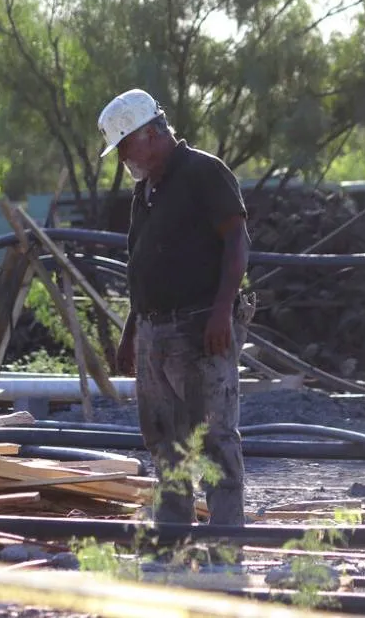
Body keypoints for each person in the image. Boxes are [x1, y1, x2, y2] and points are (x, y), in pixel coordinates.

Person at [98, 88, 254, 526]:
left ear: (151, 133)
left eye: (126, 145)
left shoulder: (204, 173)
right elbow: (141, 264)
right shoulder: (146, 192)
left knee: (212, 438)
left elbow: (237, 243)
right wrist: (132, 331)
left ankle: (226, 543)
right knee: (164, 438)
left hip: (199, 325)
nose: (124, 157)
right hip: (155, 332)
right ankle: (173, 536)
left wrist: (222, 310)